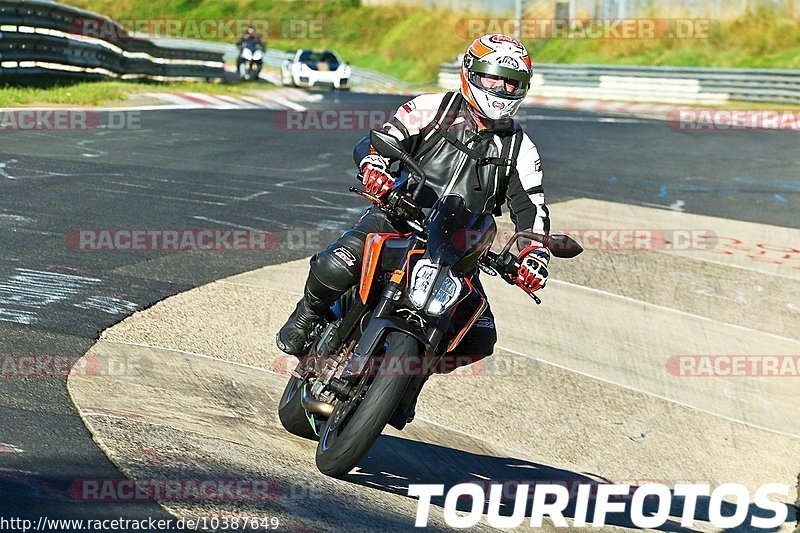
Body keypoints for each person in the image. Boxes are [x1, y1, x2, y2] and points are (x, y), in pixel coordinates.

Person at [276, 34, 551, 424]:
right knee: (338, 264)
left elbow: (532, 207)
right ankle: (307, 315)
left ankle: (406, 382)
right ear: (470, 74)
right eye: (494, 79)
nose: (502, 90)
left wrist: (533, 253)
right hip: (398, 217)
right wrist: (375, 168)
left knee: (479, 335)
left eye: (511, 83)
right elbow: (383, 140)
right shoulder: (430, 108)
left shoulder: (520, 149)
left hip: (459, 250)